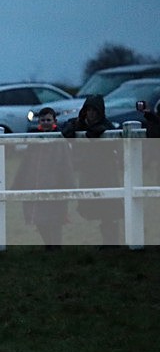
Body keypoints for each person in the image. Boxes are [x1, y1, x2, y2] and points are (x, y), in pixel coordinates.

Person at [61, 95, 121, 246]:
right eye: (89, 110)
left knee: (109, 207)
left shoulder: (106, 125)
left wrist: (100, 131)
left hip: (106, 171)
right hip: (88, 170)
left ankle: (111, 242)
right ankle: (108, 242)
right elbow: (69, 126)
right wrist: (69, 129)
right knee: (93, 205)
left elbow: (115, 139)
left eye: (95, 110)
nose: (92, 113)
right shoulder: (79, 123)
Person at [12, 107, 73, 250]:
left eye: (48, 120)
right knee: (38, 218)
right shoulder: (34, 139)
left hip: (56, 185)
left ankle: (56, 247)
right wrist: (18, 183)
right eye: (43, 120)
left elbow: (67, 164)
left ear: (54, 121)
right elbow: (26, 163)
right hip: (35, 184)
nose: (45, 122)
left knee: (55, 219)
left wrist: (69, 185)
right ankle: (48, 245)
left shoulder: (60, 139)